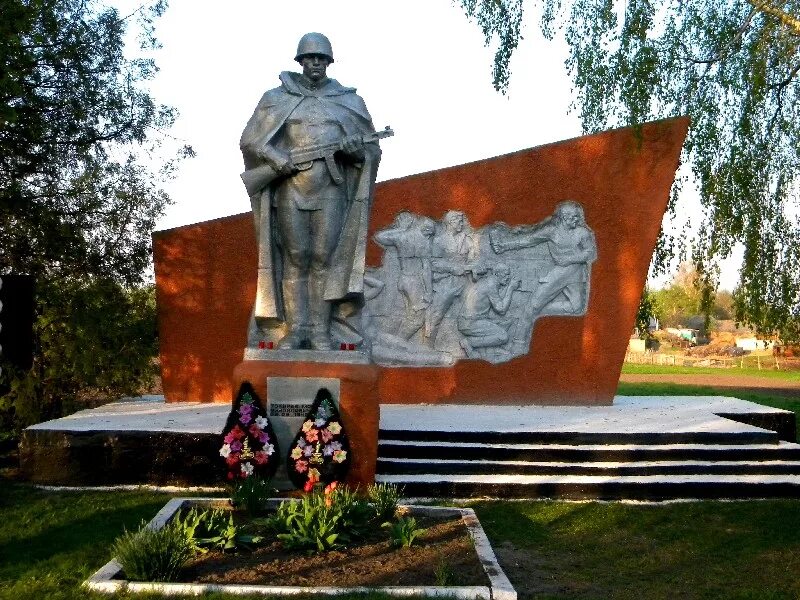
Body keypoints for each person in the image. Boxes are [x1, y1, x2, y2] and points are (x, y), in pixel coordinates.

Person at [240, 33, 382, 350]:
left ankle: (320, 332)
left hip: (330, 190)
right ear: (301, 61)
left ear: (329, 62)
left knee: (323, 259)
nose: (315, 63)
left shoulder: (350, 102)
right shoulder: (276, 98)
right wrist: (276, 157)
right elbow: (250, 139)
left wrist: (354, 150)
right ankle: (296, 330)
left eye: (321, 58)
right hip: (290, 189)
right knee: (296, 258)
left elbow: (369, 152)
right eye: (310, 58)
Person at [490, 200, 596, 315]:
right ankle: (532, 310)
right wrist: (505, 246)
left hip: (576, 273)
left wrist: (569, 259)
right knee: (535, 304)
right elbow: (530, 240)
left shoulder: (583, 233)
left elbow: (591, 253)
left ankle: (539, 310)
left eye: (578, 217)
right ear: (565, 217)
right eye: (574, 217)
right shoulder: (552, 231)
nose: (578, 219)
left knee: (576, 308)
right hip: (559, 273)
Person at [457, 263, 520, 358]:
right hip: (470, 322)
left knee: (506, 323)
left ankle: (490, 347)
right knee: (503, 336)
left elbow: (496, 301)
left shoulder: (488, 281)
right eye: (506, 274)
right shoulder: (491, 285)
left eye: (509, 274)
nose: (508, 277)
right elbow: (501, 309)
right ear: (496, 274)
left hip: (472, 320)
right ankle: (469, 342)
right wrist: (511, 288)